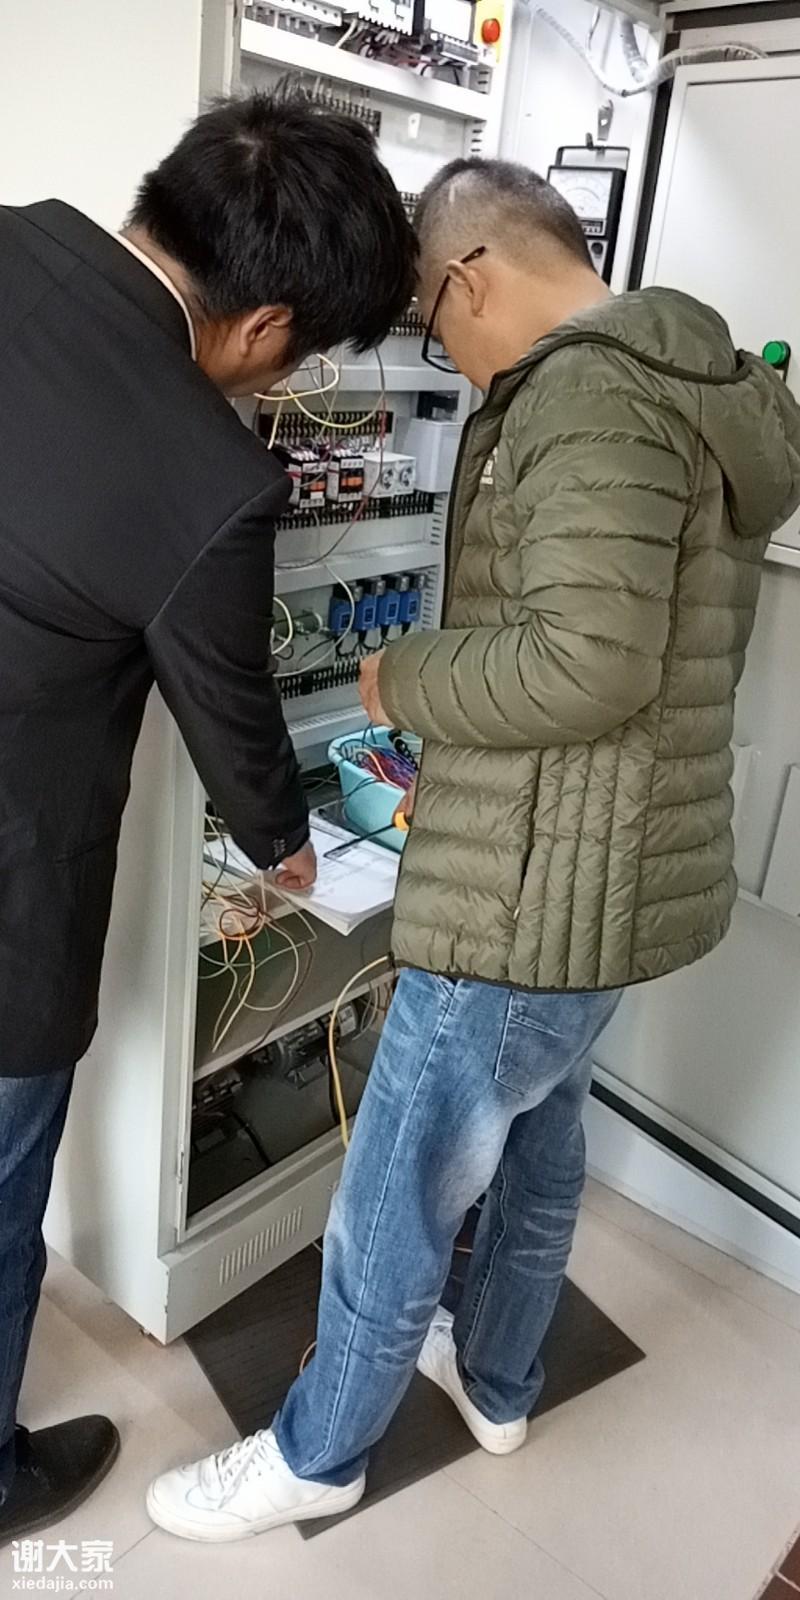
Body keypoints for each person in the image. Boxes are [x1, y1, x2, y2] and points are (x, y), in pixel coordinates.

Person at [147, 158, 800, 1542]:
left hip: (528, 884)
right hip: (609, 878)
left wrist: (405, 678)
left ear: (470, 275)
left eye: (436, 327)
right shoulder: (699, 376)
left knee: (399, 1180)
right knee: (542, 1137)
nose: (450, 358)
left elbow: (586, 662)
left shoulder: (587, 394)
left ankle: (318, 1453)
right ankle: (499, 1381)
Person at [0, 89, 415, 1540]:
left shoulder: (13, 236)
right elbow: (235, 724)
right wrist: (293, 848)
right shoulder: (209, 474)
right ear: (266, 324)